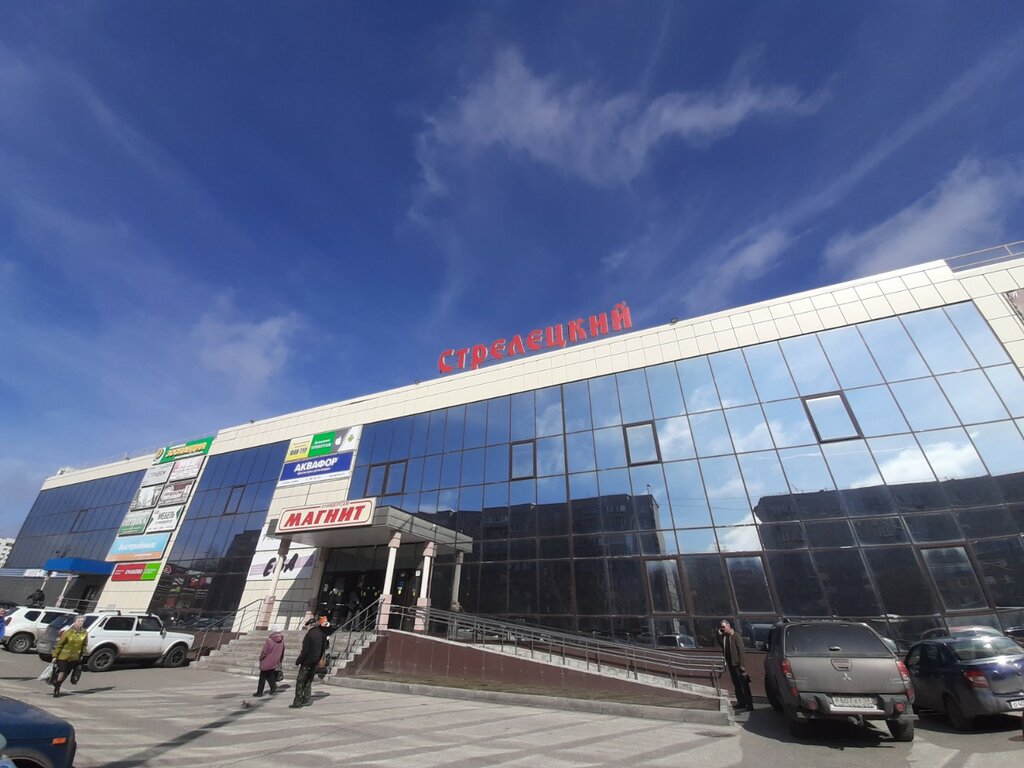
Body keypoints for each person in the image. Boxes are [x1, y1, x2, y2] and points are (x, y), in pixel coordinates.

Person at [290, 615, 329, 709]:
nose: (307, 627)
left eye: (307, 625)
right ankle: (306, 699)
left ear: (310, 625)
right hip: (315, 662)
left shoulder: (310, 634)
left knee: (300, 681)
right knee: (308, 681)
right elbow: (324, 649)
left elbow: (305, 650)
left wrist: (298, 662)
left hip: (307, 662)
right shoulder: (322, 634)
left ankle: (297, 702)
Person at [719, 619, 753, 712]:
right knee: (737, 684)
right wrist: (719, 634)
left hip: (738, 665)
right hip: (731, 664)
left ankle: (749, 704)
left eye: (723, 627)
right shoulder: (724, 637)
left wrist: (742, 665)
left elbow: (741, 651)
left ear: (728, 625)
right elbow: (720, 643)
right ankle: (741, 703)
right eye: (721, 627)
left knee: (744, 684)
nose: (722, 629)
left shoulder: (736, 636)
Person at [52, 616, 88, 698]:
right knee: (62, 672)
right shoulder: (68, 632)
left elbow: (84, 645)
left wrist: (82, 655)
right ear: (74, 622)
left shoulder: (84, 633)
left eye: (82, 621)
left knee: (66, 674)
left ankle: (57, 683)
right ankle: (57, 689)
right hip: (63, 656)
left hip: (74, 657)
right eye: (79, 621)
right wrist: (55, 656)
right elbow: (60, 644)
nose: (80, 622)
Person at [254, 625, 285, 697]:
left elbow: (264, 651)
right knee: (270, 674)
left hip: (267, 660)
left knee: (262, 676)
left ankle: (259, 692)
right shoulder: (282, 640)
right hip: (275, 660)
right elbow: (283, 651)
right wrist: (280, 660)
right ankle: (273, 686)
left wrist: (261, 658)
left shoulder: (269, 640)